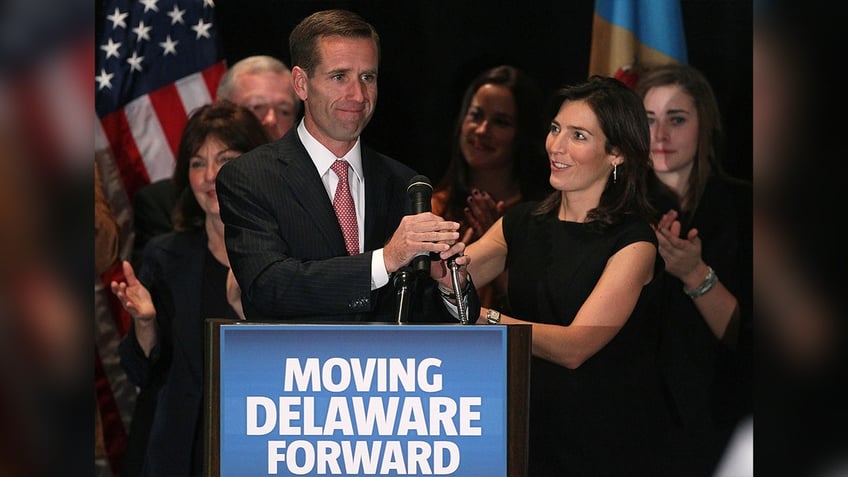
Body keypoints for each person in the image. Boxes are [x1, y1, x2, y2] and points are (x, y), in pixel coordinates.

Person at [437, 76, 669, 476]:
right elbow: (454, 278)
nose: (556, 146)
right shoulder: (523, 221)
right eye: (556, 129)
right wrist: (431, 258)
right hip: (523, 431)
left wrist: (485, 319)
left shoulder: (634, 242)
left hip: (603, 444)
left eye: (578, 136)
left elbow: (575, 348)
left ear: (616, 153)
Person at [216, 9, 476, 323]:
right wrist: (384, 260)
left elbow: (418, 315)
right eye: (340, 77)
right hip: (292, 369)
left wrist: (449, 287)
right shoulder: (250, 177)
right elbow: (268, 286)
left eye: (368, 77)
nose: (358, 94)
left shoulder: (404, 183)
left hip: (387, 370)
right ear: (301, 84)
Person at [111, 100, 270, 476]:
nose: (211, 176)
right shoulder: (165, 255)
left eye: (226, 160)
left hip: (263, 451)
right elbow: (140, 374)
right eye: (198, 163)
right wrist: (146, 323)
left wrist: (250, 314)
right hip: (182, 455)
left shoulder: (291, 253)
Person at [634, 63, 753, 476]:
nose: (660, 135)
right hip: (629, 426)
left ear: (705, 126)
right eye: (648, 120)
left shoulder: (748, 208)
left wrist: (694, 273)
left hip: (719, 422)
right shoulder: (612, 210)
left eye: (677, 119)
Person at [130, 55, 300, 268]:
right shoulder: (166, 215)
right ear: (223, 110)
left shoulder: (306, 196)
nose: (271, 120)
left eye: (284, 111)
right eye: (256, 108)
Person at [431, 64, 550, 312]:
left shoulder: (543, 215)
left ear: (522, 133)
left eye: (500, 122)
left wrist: (496, 246)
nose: (483, 130)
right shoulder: (433, 208)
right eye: (475, 115)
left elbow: (543, 314)